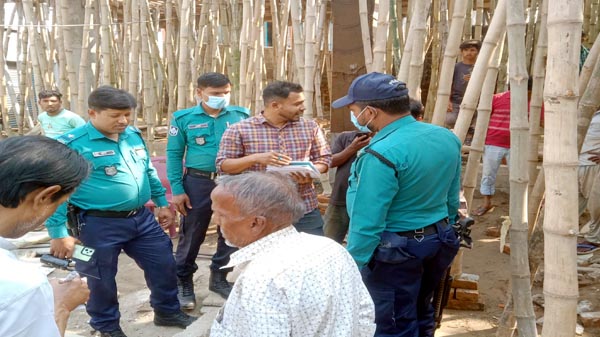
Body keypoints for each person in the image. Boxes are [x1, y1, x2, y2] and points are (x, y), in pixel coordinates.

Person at [45, 86, 196, 337]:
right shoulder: (71, 144)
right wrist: (59, 232)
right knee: (98, 277)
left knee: (163, 263)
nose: (123, 120)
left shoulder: (132, 135)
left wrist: (161, 203)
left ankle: (167, 310)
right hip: (95, 225)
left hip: (141, 219)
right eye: (115, 115)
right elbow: (58, 192)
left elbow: (147, 171)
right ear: (92, 113)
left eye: (127, 114)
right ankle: (107, 327)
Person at [332, 72, 461, 337]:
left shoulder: (380, 154)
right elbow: (451, 196)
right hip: (438, 240)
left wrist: (352, 266)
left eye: (354, 109)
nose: (354, 115)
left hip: (396, 252)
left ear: (370, 111)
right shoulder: (445, 137)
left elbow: (368, 222)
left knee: (390, 322)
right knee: (420, 307)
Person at [209, 172, 376, 336]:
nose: (215, 221)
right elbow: (364, 314)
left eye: (221, 215)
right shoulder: (331, 248)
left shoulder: (261, 279)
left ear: (256, 223)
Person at [166, 72, 249, 308]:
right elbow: (173, 155)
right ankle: (184, 281)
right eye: (215, 94)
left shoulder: (240, 115)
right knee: (192, 233)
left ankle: (220, 277)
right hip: (198, 182)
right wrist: (177, 189)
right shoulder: (183, 119)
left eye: (225, 93)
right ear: (199, 93)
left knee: (232, 230)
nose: (221, 98)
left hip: (234, 180)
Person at [0, 136, 90, 337]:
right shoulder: (21, 286)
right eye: (59, 203)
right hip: (93, 222)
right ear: (45, 197)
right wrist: (61, 306)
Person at [216, 81, 332, 235]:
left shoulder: (310, 127)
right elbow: (223, 165)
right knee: (260, 256)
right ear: (275, 105)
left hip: (304, 207)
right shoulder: (239, 130)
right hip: (258, 210)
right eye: (297, 104)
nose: (303, 108)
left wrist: (311, 172)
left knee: (313, 255)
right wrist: (255, 159)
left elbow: (324, 158)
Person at [323, 128, 371, 243]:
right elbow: (331, 161)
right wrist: (352, 148)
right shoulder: (345, 137)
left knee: (361, 242)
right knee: (329, 242)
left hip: (368, 201)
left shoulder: (386, 138)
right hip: (340, 197)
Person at [472, 90, 511, 216]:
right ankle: (486, 203)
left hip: (519, 145)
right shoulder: (496, 98)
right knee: (488, 174)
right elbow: (483, 118)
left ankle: (518, 207)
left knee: (518, 177)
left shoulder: (534, 101)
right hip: (493, 142)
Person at [577, 110, 600, 255]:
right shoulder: (593, 111)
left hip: (593, 165)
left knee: (596, 205)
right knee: (573, 203)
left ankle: (594, 239)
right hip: (576, 162)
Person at [446, 39, 481, 129]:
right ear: (461, 52)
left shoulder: (481, 67)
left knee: (474, 126)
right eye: (466, 50)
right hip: (456, 101)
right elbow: (449, 83)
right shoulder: (456, 67)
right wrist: (448, 100)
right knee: (450, 120)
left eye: (472, 50)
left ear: (478, 52)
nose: (469, 52)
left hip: (476, 102)